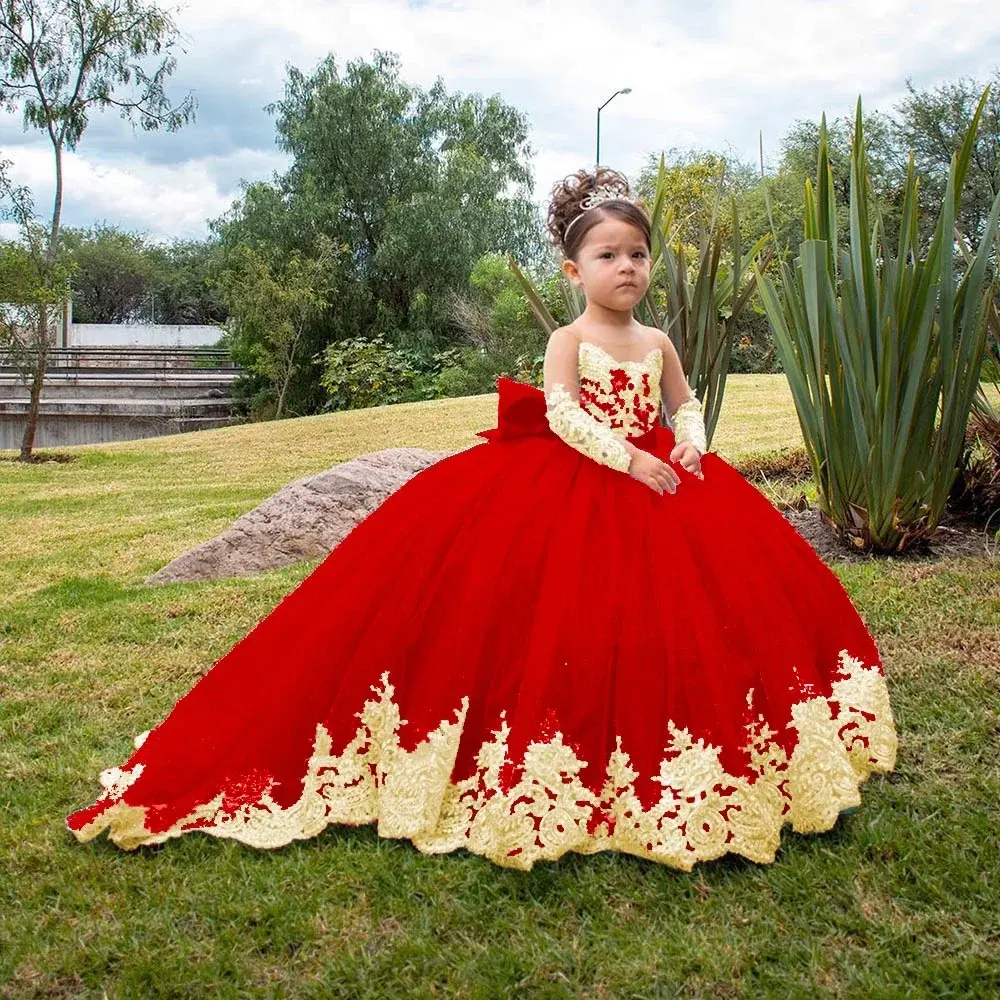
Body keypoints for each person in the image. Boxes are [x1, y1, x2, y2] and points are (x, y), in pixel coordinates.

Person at [66, 167, 898, 872]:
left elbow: (687, 406)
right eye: (608, 255)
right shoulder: (569, 339)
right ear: (574, 270)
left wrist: (686, 444)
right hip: (579, 482)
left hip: (667, 489)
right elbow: (567, 418)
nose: (627, 267)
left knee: (686, 618)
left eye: (638, 254)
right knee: (533, 614)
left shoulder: (660, 341)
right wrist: (630, 458)